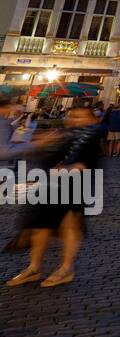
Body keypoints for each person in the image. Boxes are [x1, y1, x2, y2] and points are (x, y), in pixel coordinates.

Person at [5, 104, 100, 287]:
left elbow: (87, 163)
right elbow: (47, 156)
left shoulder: (91, 137)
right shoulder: (64, 135)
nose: (74, 120)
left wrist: (68, 168)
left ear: (91, 120)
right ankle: (33, 268)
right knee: (41, 226)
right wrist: (42, 145)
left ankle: (66, 269)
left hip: (75, 185)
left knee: (69, 226)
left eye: (80, 117)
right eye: (73, 116)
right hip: (50, 183)